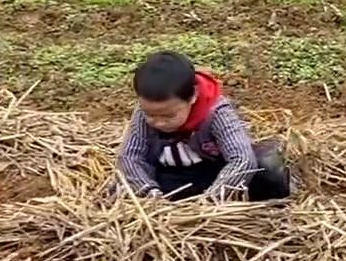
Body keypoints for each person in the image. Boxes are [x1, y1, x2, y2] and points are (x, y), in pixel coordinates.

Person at [114, 51, 290, 201]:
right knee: (123, 185)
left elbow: (242, 159)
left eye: (169, 116)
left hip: (214, 174)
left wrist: (212, 199)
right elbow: (130, 157)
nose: (158, 122)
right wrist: (150, 194)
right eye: (150, 115)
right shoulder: (145, 111)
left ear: (193, 96)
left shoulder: (217, 112)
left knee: (267, 172)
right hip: (173, 176)